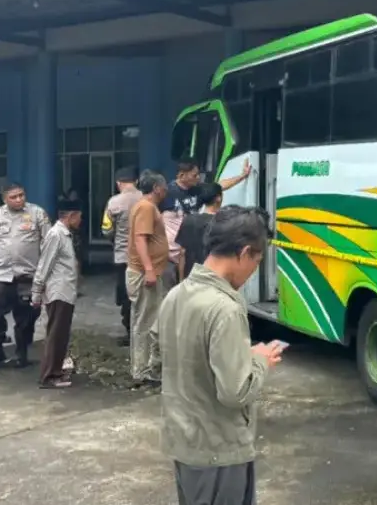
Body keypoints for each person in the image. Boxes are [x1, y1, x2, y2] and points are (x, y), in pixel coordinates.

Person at [156, 206, 284, 505]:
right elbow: (235, 392)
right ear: (245, 252)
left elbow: (184, 352)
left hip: (185, 444)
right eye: (257, 261)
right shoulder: (224, 307)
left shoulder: (178, 294)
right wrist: (259, 361)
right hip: (219, 450)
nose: (254, 271)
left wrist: (239, 354)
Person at [0, 182, 51, 372]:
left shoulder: (37, 213)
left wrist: (47, 274)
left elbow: (49, 244)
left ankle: (21, 353)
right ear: (4, 199)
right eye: (13, 197)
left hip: (29, 275)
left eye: (21, 195)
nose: (18, 199)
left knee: (26, 316)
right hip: (2, 275)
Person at [163, 159, 252, 283]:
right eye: (194, 175)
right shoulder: (167, 193)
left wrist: (242, 176)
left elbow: (219, 186)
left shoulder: (197, 188)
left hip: (189, 253)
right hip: (171, 257)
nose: (198, 178)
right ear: (181, 175)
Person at [126, 170, 172, 388]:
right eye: (164, 187)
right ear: (156, 188)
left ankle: (148, 368)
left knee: (151, 322)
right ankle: (141, 371)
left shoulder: (146, 206)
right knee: (144, 324)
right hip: (145, 273)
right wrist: (149, 269)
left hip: (150, 270)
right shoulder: (145, 207)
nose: (166, 191)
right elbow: (140, 240)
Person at [32, 199, 83, 389]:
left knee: (60, 334)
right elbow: (44, 265)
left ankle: (56, 372)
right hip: (58, 292)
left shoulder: (65, 234)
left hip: (65, 291)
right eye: (79, 217)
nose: (80, 221)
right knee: (55, 335)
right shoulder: (56, 235)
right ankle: (49, 376)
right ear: (70, 216)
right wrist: (36, 291)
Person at [101, 166, 141, 346]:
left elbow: (106, 229)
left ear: (119, 183)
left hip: (123, 257)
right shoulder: (146, 199)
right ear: (137, 182)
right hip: (145, 256)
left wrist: (115, 240)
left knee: (126, 296)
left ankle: (129, 332)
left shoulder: (113, 202)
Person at [175, 182, 224, 274]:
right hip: (212, 277)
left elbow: (182, 253)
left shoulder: (188, 220)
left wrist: (181, 280)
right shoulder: (222, 223)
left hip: (191, 276)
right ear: (218, 198)